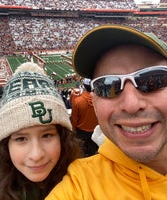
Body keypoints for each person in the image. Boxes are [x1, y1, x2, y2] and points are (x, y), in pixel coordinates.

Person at [45, 24, 167, 199]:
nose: (131, 105)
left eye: (153, 80)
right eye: (107, 86)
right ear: (94, 101)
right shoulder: (80, 187)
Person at [0, 62, 81, 200]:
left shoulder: (86, 183)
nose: (36, 155)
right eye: (21, 138)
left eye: (47, 135)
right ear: (6, 144)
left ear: (62, 138)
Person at [70, 78, 99, 156]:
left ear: (84, 86)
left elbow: (74, 119)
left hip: (81, 131)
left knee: (82, 152)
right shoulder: (99, 99)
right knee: (94, 152)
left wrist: (73, 130)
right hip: (96, 130)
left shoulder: (78, 101)